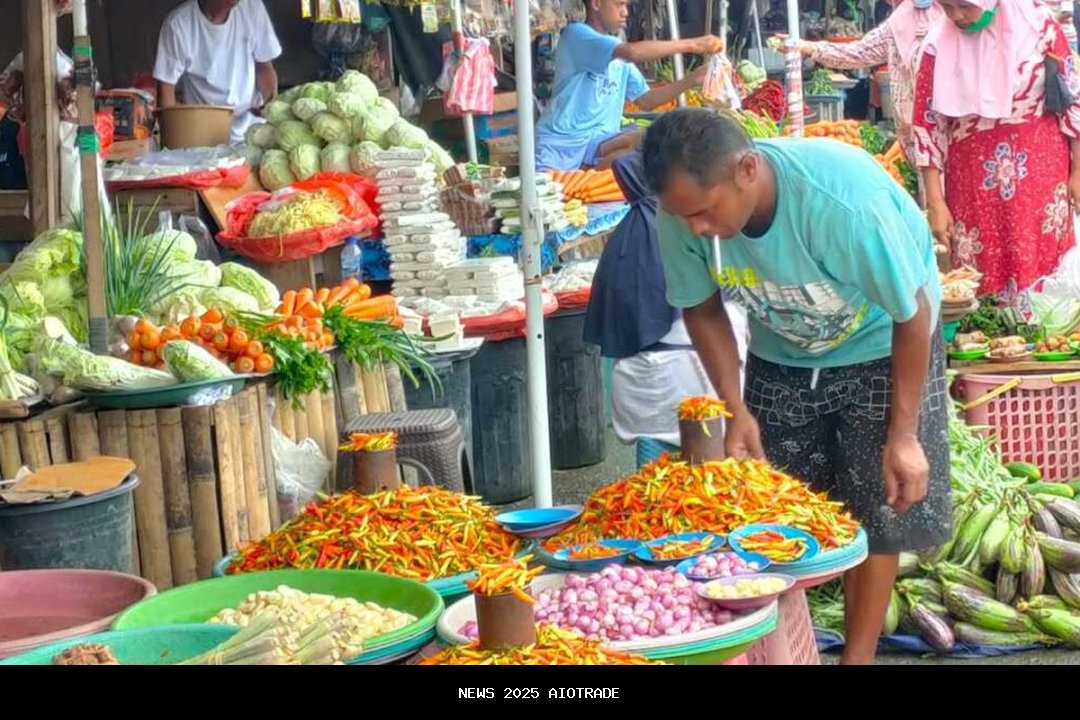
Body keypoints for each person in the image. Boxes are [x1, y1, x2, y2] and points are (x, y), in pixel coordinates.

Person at [643, 109, 950, 665]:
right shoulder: (683, 211)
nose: (696, 229)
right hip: (781, 351)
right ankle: (780, 652)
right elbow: (702, 310)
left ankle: (857, 659)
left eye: (705, 212)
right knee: (768, 510)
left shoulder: (841, 203)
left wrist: (903, 435)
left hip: (885, 342)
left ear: (746, 170)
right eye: (682, 215)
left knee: (876, 509)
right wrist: (735, 408)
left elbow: (913, 314)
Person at [583, 153, 748, 467]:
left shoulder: (627, 235)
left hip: (643, 388)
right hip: (691, 377)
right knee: (708, 483)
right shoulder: (688, 228)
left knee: (656, 487)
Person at [913, 0, 1080, 309]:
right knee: (980, 278)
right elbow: (927, 126)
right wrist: (935, 201)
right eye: (946, 7)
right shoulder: (937, 46)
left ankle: (1046, 348)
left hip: (1042, 181)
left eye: (964, 6)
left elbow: (1073, 101)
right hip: (973, 186)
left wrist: (1078, 172)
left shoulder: (1040, 27)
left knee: (1046, 285)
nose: (956, 16)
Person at [535, 0, 723, 171]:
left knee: (653, 141)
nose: (625, 12)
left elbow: (646, 100)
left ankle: (590, 174)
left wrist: (692, 79)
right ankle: (586, 175)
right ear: (597, 4)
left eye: (627, 6)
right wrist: (692, 45)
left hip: (595, 144)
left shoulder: (618, 52)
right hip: (560, 146)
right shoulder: (576, 35)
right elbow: (632, 52)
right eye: (619, 5)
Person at [784, 0, 944, 172]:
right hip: (915, 139)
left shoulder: (955, 20)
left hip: (953, 130)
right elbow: (859, 52)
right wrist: (808, 47)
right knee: (930, 189)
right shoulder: (899, 23)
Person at [153, 0, 283, 145]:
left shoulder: (252, 7)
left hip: (252, 132)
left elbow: (264, 66)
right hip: (202, 135)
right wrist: (172, 142)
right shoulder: (178, 24)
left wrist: (270, 103)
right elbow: (166, 88)